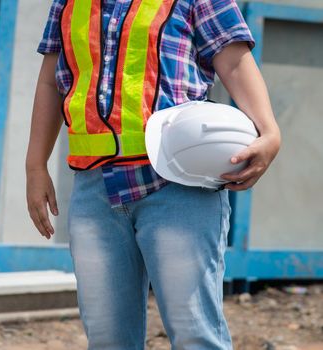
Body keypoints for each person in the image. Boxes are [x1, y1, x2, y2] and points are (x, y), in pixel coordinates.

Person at [25, 0, 281, 349]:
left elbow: (234, 62)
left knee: (194, 333)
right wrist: (35, 166)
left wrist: (269, 131)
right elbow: (50, 81)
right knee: (107, 339)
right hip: (95, 190)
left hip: (178, 186)